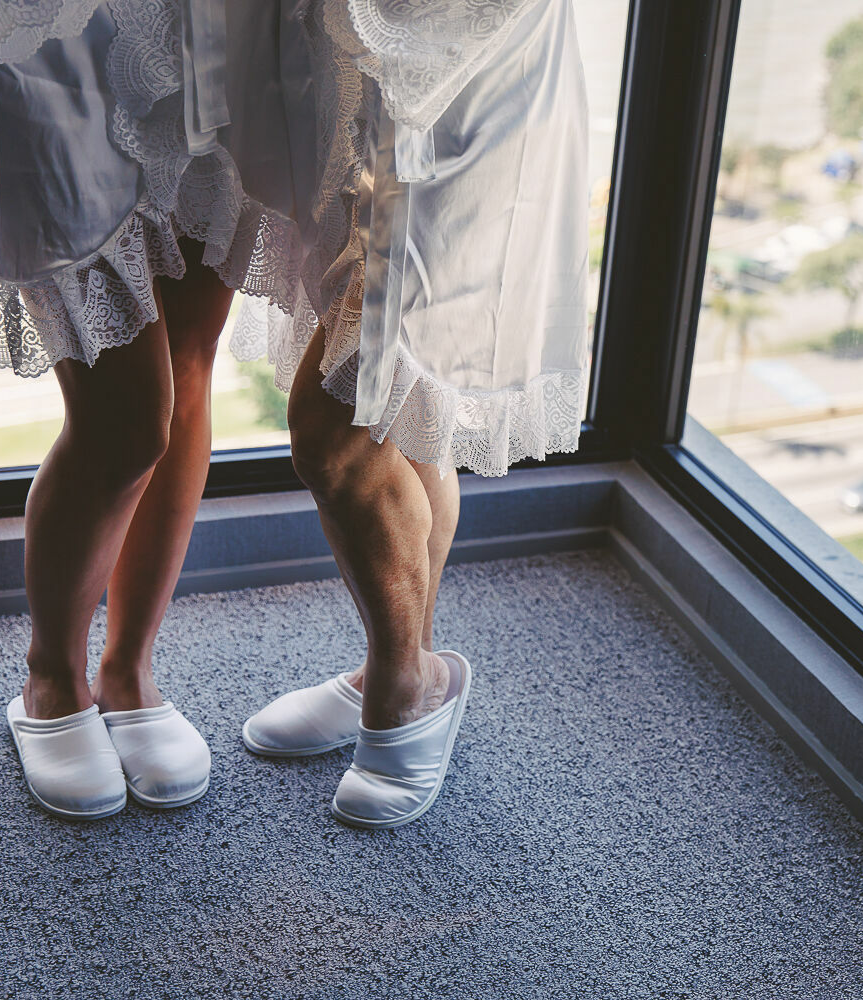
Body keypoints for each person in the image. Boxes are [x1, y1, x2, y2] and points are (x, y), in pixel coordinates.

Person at [0, 1, 328, 818]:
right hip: (42, 33)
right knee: (125, 415)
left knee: (188, 358)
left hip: (208, 21)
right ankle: (52, 676)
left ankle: (128, 667)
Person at [239, 0, 591, 828]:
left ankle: (404, 682)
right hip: (349, 52)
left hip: (471, 55)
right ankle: (402, 663)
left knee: (343, 418)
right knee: (403, 404)